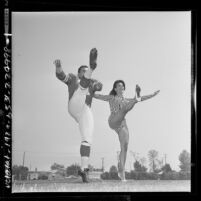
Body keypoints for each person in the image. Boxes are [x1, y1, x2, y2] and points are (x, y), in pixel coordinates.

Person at [93, 80, 160, 181]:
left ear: (124, 88)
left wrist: (152, 95)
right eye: (118, 86)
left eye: (122, 86)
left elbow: (142, 99)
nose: (121, 87)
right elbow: (97, 96)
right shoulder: (111, 97)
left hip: (122, 124)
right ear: (115, 89)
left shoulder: (126, 100)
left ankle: (122, 173)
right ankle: (136, 97)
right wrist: (90, 89)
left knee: (124, 147)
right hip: (113, 120)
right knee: (127, 106)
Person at [54, 48, 103, 183]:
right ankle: (93, 66)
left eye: (88, 70)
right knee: (82, 89)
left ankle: (84, 170)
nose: (85, 72)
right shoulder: (73, 78)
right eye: (84, 70)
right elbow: (61, 76)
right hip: (74, 105)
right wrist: (58, 68)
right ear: (78, 72)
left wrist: (98, 85)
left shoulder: (92, 82)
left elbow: (100, 86)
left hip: (84, 111)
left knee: (87, 139)